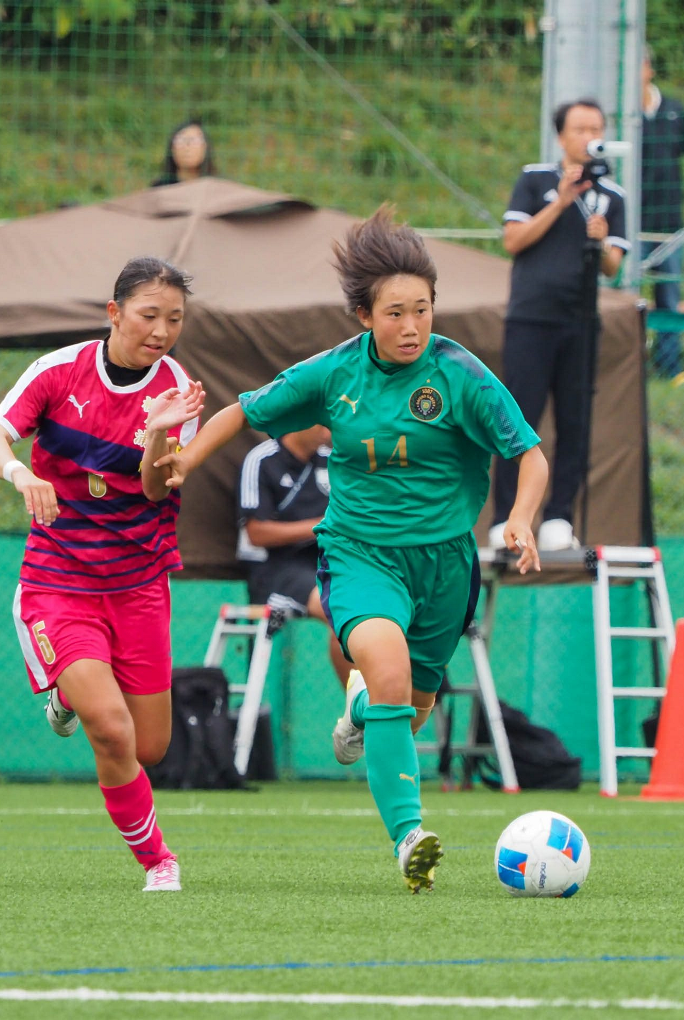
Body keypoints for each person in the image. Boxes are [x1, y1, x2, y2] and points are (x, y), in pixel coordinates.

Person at [155, 207, 549, 892]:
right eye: (395, 313)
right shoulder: (333, 374)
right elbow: (241, 411)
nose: (411, 326)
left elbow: (531, 455)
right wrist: (185, 462)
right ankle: (409, 838)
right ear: (364, 316)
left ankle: (361, 710)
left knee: (410, 707)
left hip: (446, 567)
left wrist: (519, 517)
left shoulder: (460, 375)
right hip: (362, 556)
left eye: (422, 310)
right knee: (389, 669)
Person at [0, 256, 206, 893]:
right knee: (110, 726)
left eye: (175, 320)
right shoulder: (58, 370)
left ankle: (65, 693)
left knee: (148, 748)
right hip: (58, 579)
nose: (161, 331)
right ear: (114, 313)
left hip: (138, 585)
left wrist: (160, 435)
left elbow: (158, 491)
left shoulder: (179, 393)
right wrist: (22, 474)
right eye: (148, 315)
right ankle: (159, 860)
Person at [491, 98, 628, 553]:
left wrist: (601, 240)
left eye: (596, 127)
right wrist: (561, 203)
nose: (589, 136)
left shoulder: (613, 195)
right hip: (531, 318)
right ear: (561, 136)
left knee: (575, 421)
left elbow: (613, 267)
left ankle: (559, 517)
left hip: (582, 323)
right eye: (579, 128)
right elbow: (513, 239)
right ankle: (508, 515)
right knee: (518, 416)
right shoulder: (535, 180)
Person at [238, 424, 351, 686]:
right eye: (322, 418)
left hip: (328, 564)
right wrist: (322, 525)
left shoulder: (334, 460)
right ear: (301, 417)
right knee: (344, 610)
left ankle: (403, 702)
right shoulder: (262, 459)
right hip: (275, 570)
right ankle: (359, 713)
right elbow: (256, 533)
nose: (331, 424)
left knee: (379, 603)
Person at [639, 45, 684, 383]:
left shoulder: (675, 111)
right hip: (633, 226)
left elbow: (683, 150)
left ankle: (669, 365)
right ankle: (630, 366)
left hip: (670, 224)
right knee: (627, 298)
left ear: (649, 69)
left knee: (669, 296)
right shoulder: (620, 116)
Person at [152, 119, 216, 186]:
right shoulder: (160, 187)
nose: (187, 146)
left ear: (206, 147)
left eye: (194, 140)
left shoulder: (217, 187)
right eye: (180, 140)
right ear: (172, 148)